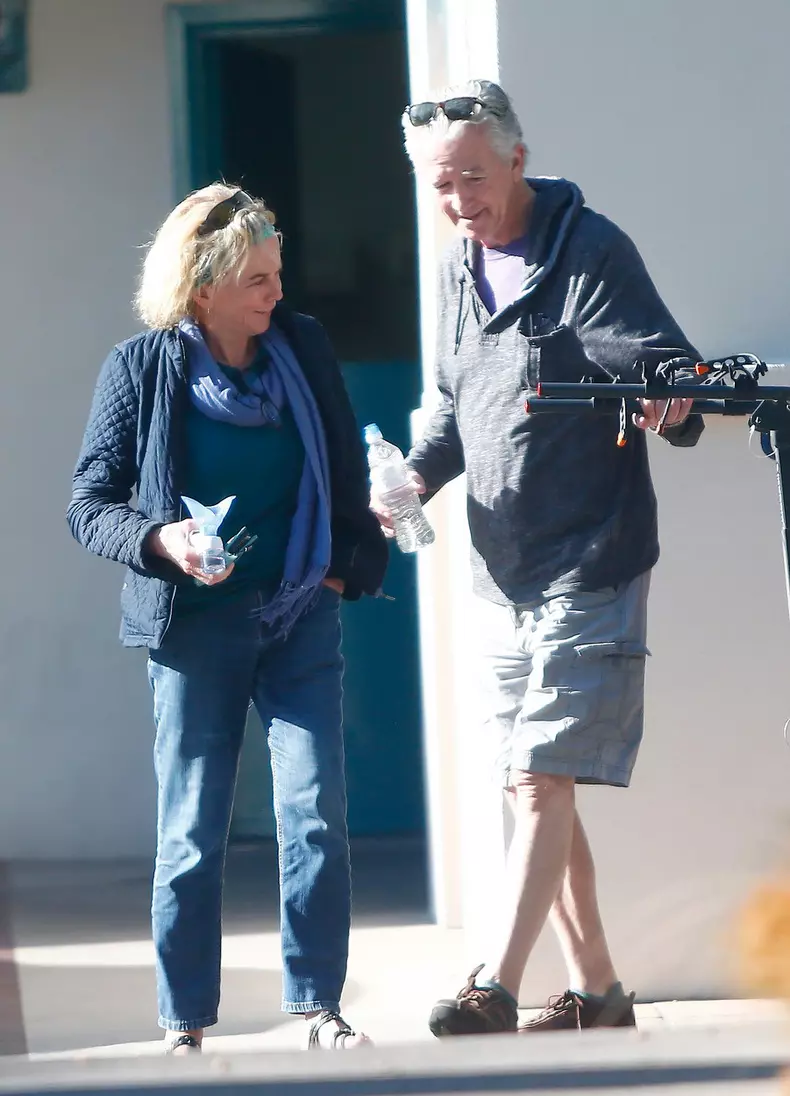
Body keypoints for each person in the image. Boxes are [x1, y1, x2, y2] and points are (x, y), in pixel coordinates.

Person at [373, 80, 704, 1037]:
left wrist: (668, 394)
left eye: (472, 177)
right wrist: (409, 481)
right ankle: (599, 993)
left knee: (537, 779)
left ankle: (495, 981)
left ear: (517, 159)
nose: (459, 200)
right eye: (440, 185)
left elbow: (660, 358)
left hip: (592, 552)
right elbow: (449, 410)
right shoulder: (452, 270)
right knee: (534, 782)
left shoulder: (589, 249)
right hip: (500, 563)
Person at [67, 184, 388, 1054]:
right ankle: (185, 1022)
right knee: (193, 827)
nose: (275, 293)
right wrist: (161, 538)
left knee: (316, 807)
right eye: (255, 278)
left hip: (297, 615)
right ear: (201, 286)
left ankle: (318, 1006)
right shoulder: (140, 369)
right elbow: (87, 505)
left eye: (277, 273)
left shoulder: (303, 348)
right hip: (192, 626)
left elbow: (344, 474)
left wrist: (346, 566)